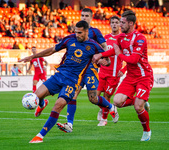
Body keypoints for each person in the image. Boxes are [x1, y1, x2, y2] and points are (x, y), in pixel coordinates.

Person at [19, 20, 118, 143]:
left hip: (72, 82)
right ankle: (42, 103)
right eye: (76, 32)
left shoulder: (93, 46)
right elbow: (52, 50)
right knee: (36, 96)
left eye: (80, 33)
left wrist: (104, 62)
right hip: (59, 76)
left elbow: (107, 60)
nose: (77, 35)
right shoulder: (69, 39)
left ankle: (40, 135)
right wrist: (33, 56)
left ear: (87, 32)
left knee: (58, 105)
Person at [92, 10, 153, 141]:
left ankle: (146, 131)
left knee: (138, 107)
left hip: (144, 76)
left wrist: (119, 53)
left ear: (131, 23)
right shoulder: (120, 38)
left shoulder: (140, 38)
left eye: (122, 22)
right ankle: (142, 101)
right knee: (117, 102)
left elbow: (133, 60)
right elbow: (112, 51)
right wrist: (100, 55)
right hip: (130, 77)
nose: (120, 25)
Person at [56, 8, 115, 133]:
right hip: (77, 71)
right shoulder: (77, 32)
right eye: (82, 15)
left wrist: (103, 59)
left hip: (90, 70)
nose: (84, 17)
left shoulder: (95, 32)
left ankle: (110, 106)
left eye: (87, 15)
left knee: (93, 98)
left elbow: (104, 48)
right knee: (72, 94)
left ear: (91, 17)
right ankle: (69, 124)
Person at [96, 15, 127, 126]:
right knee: (94, 96)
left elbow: (130, 57)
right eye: (112, 22)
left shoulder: (123, 39)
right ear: (110, 24)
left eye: (116, 22)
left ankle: (104, 119)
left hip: (114, 74)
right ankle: (110, 108)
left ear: (120, 24)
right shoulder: (106, 38)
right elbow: (101, 54)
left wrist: (123, 70)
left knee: (107, 97)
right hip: (102, 72)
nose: (114, 24)